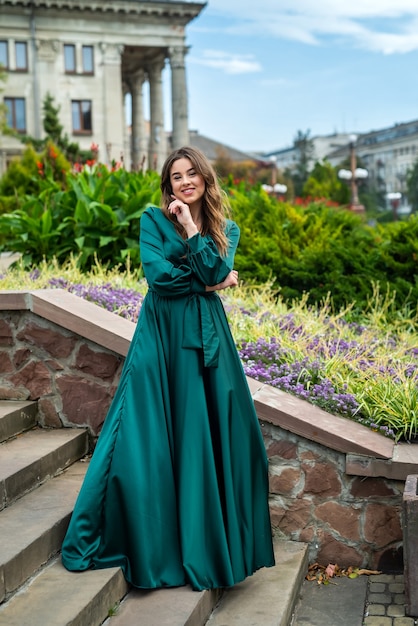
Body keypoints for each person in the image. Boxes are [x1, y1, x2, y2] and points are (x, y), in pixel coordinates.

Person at [61, 146, 275, 591]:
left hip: (206, 341)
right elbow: (160, 278)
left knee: (216, 436)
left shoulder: (224, 228)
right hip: (160, 336)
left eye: (192, 173)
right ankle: (147, 539)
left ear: (205, 179)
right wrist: (212, 280)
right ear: (168, 185)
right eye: (176, 176)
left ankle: (208, 546)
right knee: (148, 435)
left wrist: (193, 230)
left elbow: (218, 262)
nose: (185, 181)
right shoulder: (151, 220)